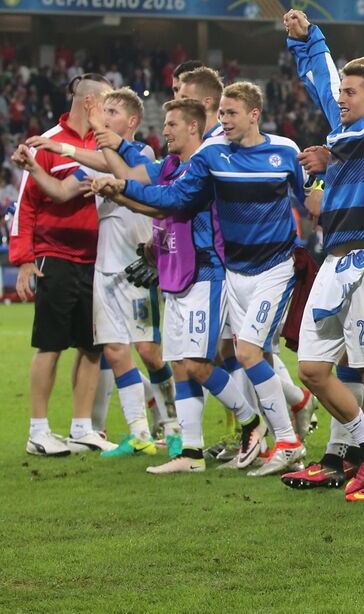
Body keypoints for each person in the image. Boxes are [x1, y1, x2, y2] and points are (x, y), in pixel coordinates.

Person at [93, 81, 308, 476]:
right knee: (184, 362)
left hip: (217, 270)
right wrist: (122, 191)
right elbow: (165, 201)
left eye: (173, 123)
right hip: (188, 271)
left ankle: (264, 424)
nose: (166, 130)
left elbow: (306, 198)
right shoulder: (196, 160)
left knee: (222, 358)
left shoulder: (273, 151)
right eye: (221, 113)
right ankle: (192, 452)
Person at [276, 2, 364, 501]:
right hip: (336, 260)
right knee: (312, 368)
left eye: (350, 92)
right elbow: (322, 82)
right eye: (341, 93)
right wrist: (307, 38)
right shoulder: (341, 136)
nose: (339, 99)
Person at [15, 89, 176, 457]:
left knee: (150, 352)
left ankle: (173, 425)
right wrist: (35, 167)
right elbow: (59, 191)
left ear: (131, 122)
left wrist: (70, 148)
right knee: (116, 352)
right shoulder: (96, 161)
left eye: (112, 111)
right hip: (103, 268)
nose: (104, 117)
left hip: (136, 266)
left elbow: (121, 173)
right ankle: (139, 433)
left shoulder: (144, 155)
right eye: (102, 111)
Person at [14, 73, 114, 457]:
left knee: (91, 347)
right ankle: (38, 430)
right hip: (55, 256)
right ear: (89, 104)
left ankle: (81, 427)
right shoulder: (47, 142)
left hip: (98, 260)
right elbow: (26, 204)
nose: (108, 111)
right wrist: (23, 260)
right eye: (105, 104)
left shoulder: (104, 145)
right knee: (50, 345)